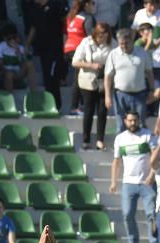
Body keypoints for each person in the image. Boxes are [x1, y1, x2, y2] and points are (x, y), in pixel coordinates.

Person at [111, 110, 157, 243]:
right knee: (127, 214)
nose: (132, 123)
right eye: (129, 120)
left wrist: (152, 175)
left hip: (147, 182)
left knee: (152, 215)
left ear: (138, 120)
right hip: (128, 182)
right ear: (125, 121)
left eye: (135, 120)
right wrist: (114, 181)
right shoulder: (120, 138)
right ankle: (133, 241)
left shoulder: (147, 135)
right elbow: (116, 161)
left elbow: (155, 157)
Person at [104, 28, 157, 130]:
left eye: (126, 43)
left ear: (132, 40)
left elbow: (149, 73)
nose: (123, 46)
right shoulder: (113, 54)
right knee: (120, 126)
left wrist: (151, 90)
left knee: (140, 125)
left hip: (139, 95)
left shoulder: (142, 53)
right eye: (121, 43)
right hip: (120, 94)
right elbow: (108, 76)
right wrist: (107, 96)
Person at [72, 21, 113, 151]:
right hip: (88, 80)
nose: (103, 37)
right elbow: (75, 62)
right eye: (101, 34)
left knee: (102, 110)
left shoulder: (112, 43)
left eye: (105, 34)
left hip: (104, 79)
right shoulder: (86, 42)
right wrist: (91, 65)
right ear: (95, 33)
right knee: (89, 110)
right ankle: (86, 139)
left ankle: (100, 140)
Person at [24, 0, 68, 111]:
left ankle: (57, 105)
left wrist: (67, 40)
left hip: (56, 48)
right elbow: (33, 28)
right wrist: (27, 44)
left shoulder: (55, 5)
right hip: (43, 49)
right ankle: (50, 105)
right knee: (47, 78)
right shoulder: (35, 9)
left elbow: (65, 22)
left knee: (53, 77)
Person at [131, 0, 160, 91]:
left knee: (158, 88)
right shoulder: (139, 14)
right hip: (142, 61)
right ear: (145, 4)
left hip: (158, 58)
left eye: (155, 4)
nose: (152, 7)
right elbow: (133, 30)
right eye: (150, 4)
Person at [63, 0, 95, 116]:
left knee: (79, 78)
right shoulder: (87, 18)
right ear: (86, 4)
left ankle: (78, 105)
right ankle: (75, 107)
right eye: (92, 3)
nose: (93, 6)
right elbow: (91, 37)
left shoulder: (71, 16)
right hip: (79, 50)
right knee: (79, 80)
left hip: (68, 49)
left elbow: (66, 34)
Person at [0, 23, 38, 93]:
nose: (12, 40)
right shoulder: (1, 46)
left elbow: (23, 62)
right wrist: (5, 70)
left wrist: (18, 51)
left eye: (14, 37)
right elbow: (0, 62)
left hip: (18, 72)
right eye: (9, 38)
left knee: (29, 63)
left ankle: (34, 92)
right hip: (7, 71)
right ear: (4, 38)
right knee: (8, 75)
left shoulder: (20, 47)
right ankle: (10, 97)